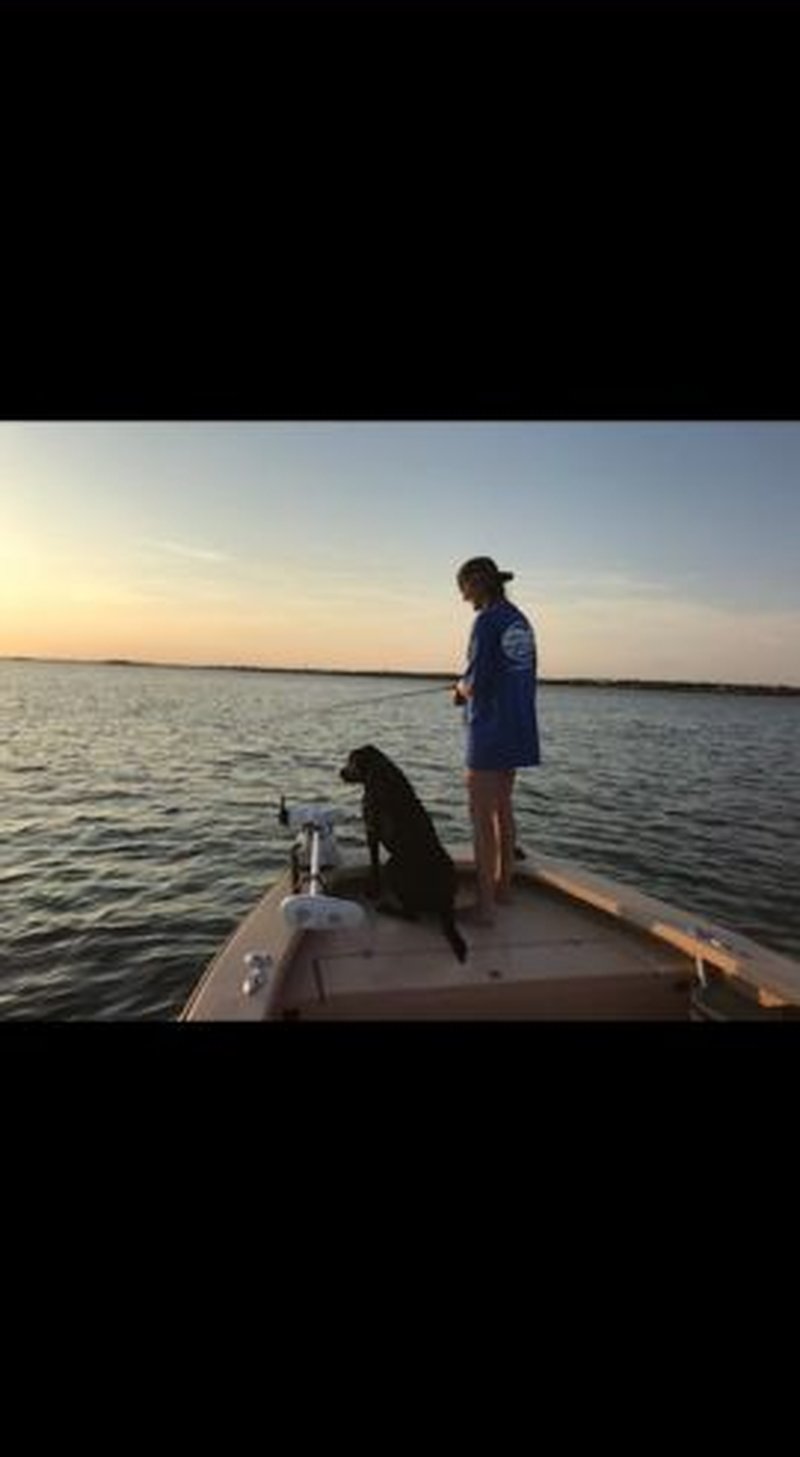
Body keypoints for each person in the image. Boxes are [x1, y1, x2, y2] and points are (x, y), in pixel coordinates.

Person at [452, 556, 540, 926]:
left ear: (478, 583)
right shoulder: (520, 619)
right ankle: (504, 889)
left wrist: (458, 689)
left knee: (480, 816)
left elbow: (475, 683)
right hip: (520, 726)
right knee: (503, 808)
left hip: (490, 730)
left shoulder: (486, 622)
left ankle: (485, 908)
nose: (463, 598)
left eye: (464, 589)